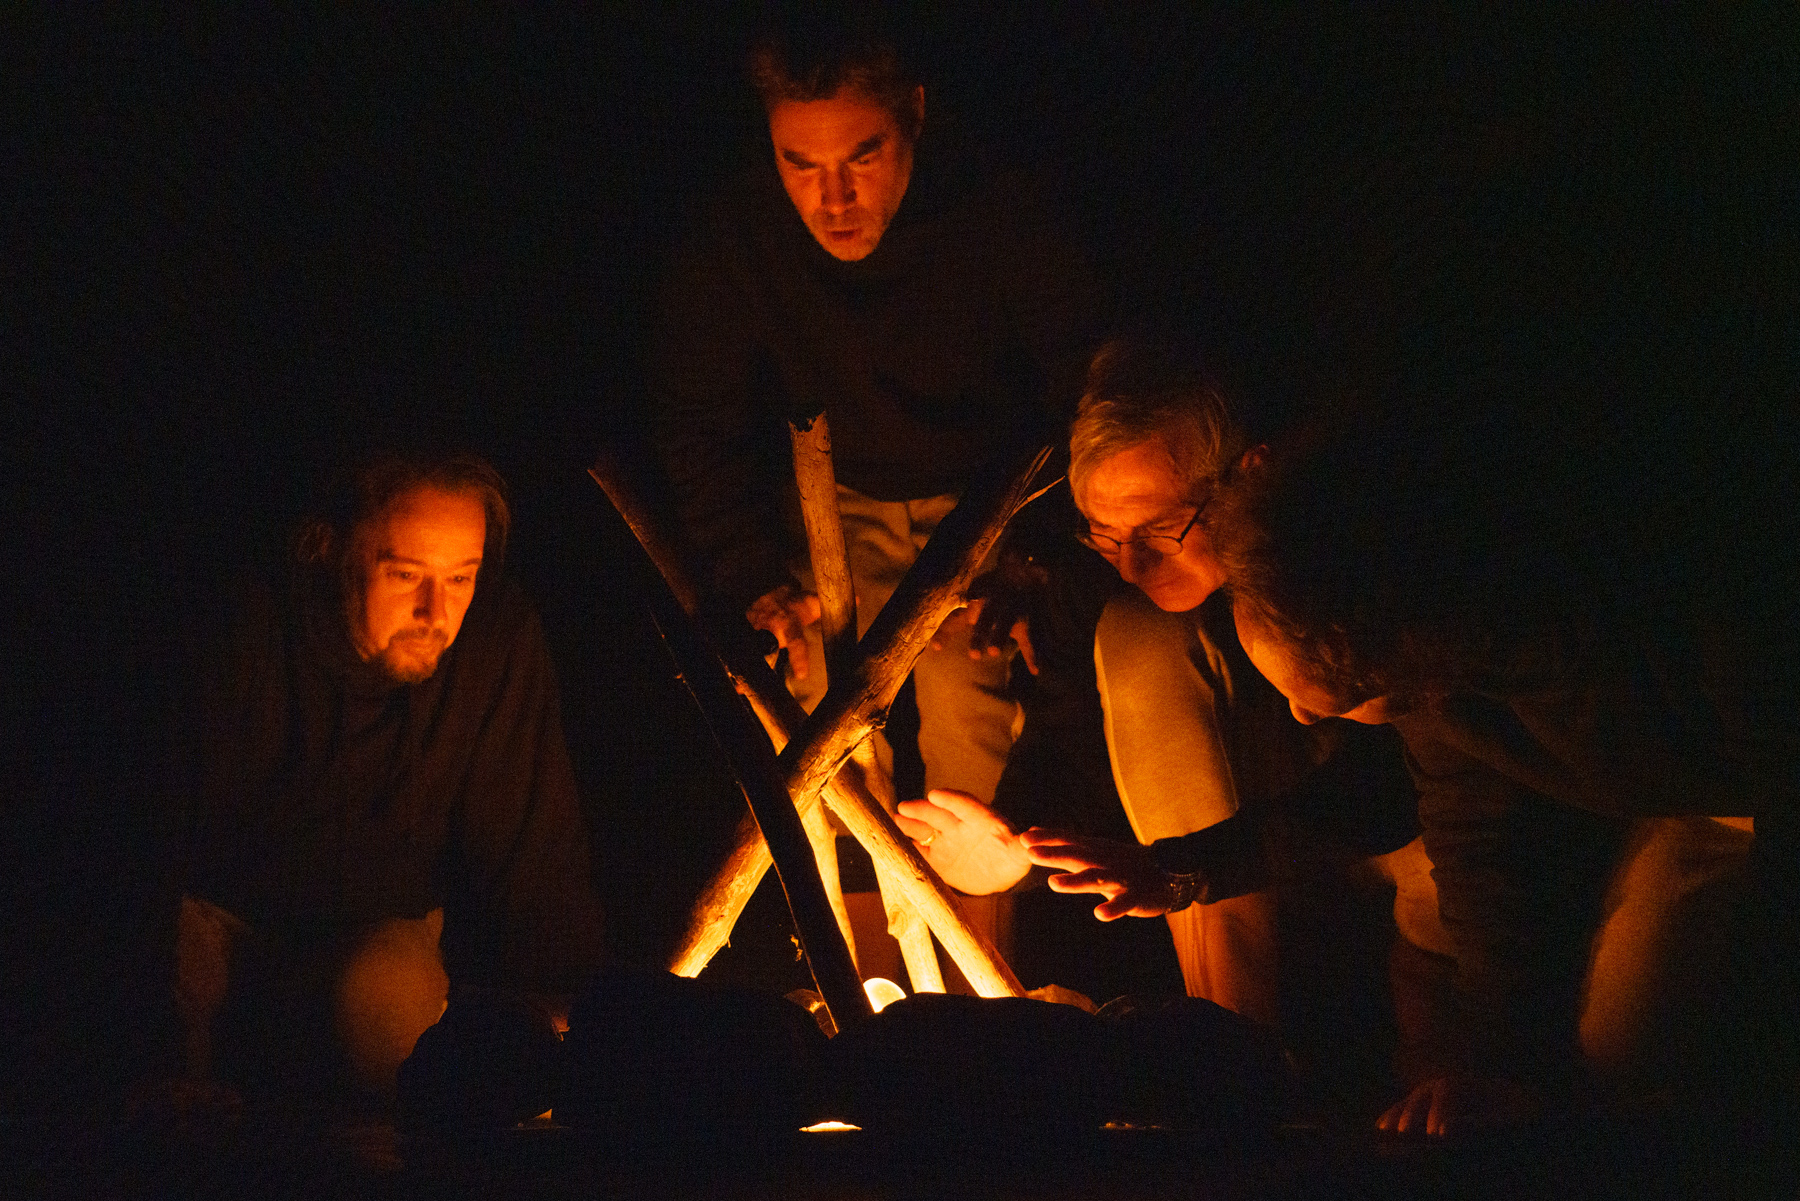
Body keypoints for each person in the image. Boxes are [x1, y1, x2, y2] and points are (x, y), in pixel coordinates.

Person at [1205, 406, 1798, 1135]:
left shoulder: (1698, 591)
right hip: (1692, 798)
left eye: (1333, 701)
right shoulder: (1442, 680)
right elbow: (1481, 841)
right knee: (1611, 1049)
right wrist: (1502, 1064)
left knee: (1669, 1068)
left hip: (1753, 785)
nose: (1298, 717)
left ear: (1401, 656)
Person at [899, 339, 1447, 1030]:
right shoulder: (1106, 586)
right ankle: (1228, 1043)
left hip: (1377, 836)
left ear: (1247, 476)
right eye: (1104, 534)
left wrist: (1196, 868)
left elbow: (1410, 780)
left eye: (1161, 529)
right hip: (1231, 864)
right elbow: (1071, 733)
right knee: (1136, 634)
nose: (1131, 563)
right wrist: (1017, 850)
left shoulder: (1338, 570)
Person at [646, 17, 1098, 831]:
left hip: (986, 500)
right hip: (835, 499)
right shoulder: (738, 230)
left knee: (974, 721)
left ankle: (977, 905)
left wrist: (1040, 548)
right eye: (801, 164)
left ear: (914, 114)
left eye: (863, 157)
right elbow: (695, 419)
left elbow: (1089, 386)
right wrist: (755, 578)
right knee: (821, 738)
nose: (834, 199)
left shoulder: (997, 204)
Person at [173, 452, 604, 1112]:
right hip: (221, 922)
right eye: (405, 574)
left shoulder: (492, 640)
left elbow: (537, 859)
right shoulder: (240, 625)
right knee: (164, 975)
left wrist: (575, 1035)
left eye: (460, 577)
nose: (436, 610)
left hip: (382, 933)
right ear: (327, 549)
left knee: (387, 1000)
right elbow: (139, 832)